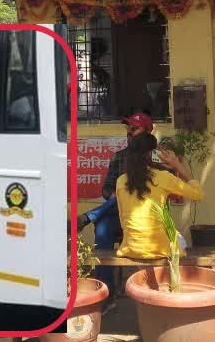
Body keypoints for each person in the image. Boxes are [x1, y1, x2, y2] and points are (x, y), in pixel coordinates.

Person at [74, 111, 155, 305]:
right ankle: (106, 292)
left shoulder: (154, 160)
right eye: (127, 128)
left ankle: (89, 217)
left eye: (133, 128)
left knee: (110, 209)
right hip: (119, 214)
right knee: (103, 227)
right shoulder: (119, 157)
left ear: (146, 133)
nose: (128, 132)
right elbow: (106, 188)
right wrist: (111, 193)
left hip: (144, 217)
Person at [114, 132, 204, 259]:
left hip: (131, 247)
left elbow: (122, 218)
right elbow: (198, 194)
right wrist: (177, 165)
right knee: (181, 242)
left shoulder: (120, 181)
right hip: (160, 248)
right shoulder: (163, 177)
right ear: (151, 154)